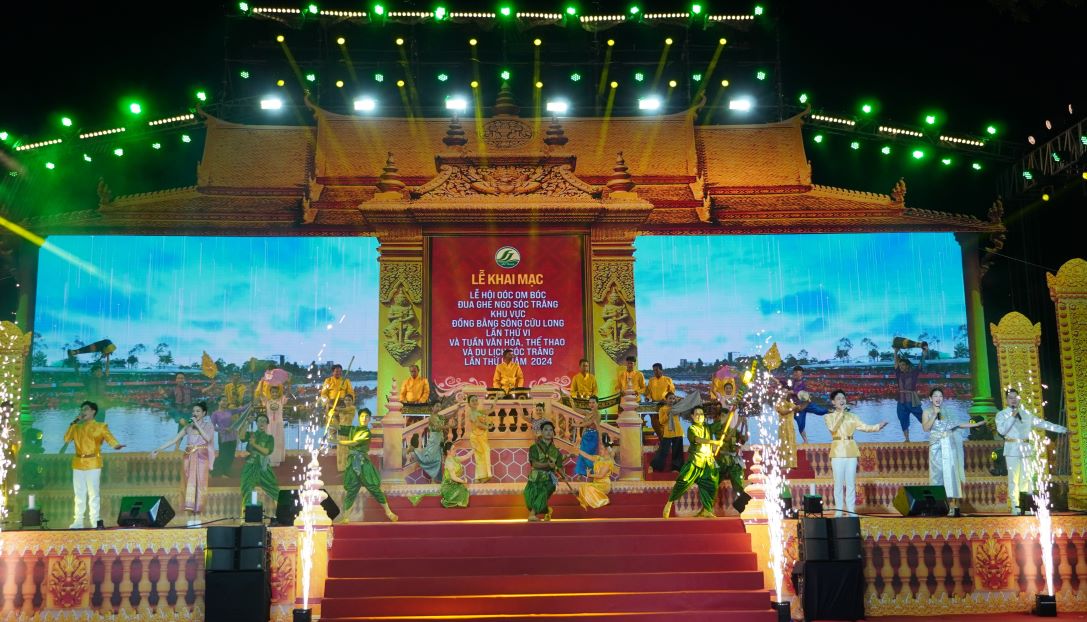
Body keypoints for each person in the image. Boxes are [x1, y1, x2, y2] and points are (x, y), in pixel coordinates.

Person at [995, 387, 1068, 514]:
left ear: (1019, 399)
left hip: (1025, 449)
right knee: (1013, 479)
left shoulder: (1026, 414)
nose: (1013, 400)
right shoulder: (1001, 415)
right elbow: (1002, 431)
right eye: (1010, 398)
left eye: (1015, 398)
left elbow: (1044, 423)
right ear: (1006, 400)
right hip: (1011, 449)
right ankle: (1015, 506)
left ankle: (1026, 506)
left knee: (1026, 478)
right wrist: (1012, 417)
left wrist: (1063, 429)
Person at [151, 401, 216, 526]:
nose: (195, 413)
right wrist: (158, 449)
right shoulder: (188, 427)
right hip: (189, 457)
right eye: (194, 411)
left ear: (204, 413)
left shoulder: (209, 426)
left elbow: (208, 438)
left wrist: (196, 424)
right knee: (189, 485)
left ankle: (198, 516)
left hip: (202, 457)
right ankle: (191, 516)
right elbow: (174, 439)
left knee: (200, 485)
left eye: (198, 411)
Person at [824, 390, 888, 516]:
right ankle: (838, 510)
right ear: (833, 402)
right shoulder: (828, 417)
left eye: (843, 398)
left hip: (851, 451)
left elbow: (865, 427)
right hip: (837, 452)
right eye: (838, 399)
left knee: (850, 482)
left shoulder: (853, 417)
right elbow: (833, 428)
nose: (842, 400)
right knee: (838, 483)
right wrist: (841, 413)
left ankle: (850, 510)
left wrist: (878, 427)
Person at [922, 387, 984, 516]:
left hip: (948, 446)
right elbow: (926, 428)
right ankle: (937, 506)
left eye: (940, 396)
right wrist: (934, 415)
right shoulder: (927, 412)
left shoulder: (947, 412)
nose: (938, 399)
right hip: (935, 448)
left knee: (950, 475)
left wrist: (975, 425)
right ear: (930, 398)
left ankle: (953, 506)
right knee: (936, 476)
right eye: (935, 396)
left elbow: (958, 424)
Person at [64, 401, 125, 529]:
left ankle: (94, 520)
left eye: (86, 409)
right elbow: (66, 439)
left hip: (93, 463)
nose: (83, 411)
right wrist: (74, 422)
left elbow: (109, 438)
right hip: (78, 463)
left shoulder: (100, 426)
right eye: (81, 409)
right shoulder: (76, 427)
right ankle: (78, 521)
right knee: (79, 493)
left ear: (93, 411)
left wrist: (116, 445)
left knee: (93, 493)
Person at [339, 408, 398, 522]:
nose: (364, 419)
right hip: (352, 463)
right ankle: (345, 517)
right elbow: (338, 428)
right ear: (359, 417)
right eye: (362, 416)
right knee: (351, 490)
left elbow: (354, 442)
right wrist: (331, 418)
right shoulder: (353, 429)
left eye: (366, 417)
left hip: (363, 463)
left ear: (369, 419)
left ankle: (389, 513)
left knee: (374, 488)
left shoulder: (366, 432)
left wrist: (337, 442)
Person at [663, 407, 722, 519]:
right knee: (683, 481)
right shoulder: (692, 428)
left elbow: (720, 423)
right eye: (697, 414)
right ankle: (669, 503)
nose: (699, 416)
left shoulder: (708, 428)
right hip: (695, 461)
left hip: (708, 462)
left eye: (701, 414)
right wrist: (713, 442)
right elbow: (698, 440)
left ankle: (706, 510)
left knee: (711, 485)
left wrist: (730, 411)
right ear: (692, 416)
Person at [707, 405, 750, 514]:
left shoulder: (733, 430)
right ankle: (708, 509)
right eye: (722, 416)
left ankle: (743, 508)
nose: (724, 418)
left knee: (738, 483)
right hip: (720, 461)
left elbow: (743, 440)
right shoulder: (717, 429)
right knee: (712, 483)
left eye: (726, 416)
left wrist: (745, 425)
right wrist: (738, 423)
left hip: (732, 461)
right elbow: (726, 438)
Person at [238, 412, 279, 516]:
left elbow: (266, 451)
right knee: (247, 488)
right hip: (250, 465)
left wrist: (254, 445)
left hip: (263, 466)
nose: (262, 423)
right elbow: (241, 436)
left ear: (267, 424)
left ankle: (281, 514)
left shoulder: (269, 438)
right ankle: (246, 516)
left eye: (264, 421)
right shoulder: (251, 435)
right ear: (256, 423)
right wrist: (247, 422)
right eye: (260, 420)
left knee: (273, 488)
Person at [525, 420, 564, 521]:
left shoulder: (556, 451)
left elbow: (559, 467)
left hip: (549, 479)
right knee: (529, 497)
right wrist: (547, 464)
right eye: (546, 430)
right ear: (541, 432)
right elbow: (534, 464)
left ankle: (532, 515)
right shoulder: (534, 447)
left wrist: (564, 475)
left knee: (543, 494)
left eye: (551, 430)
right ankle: (547, 511)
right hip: (535, 477)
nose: (548, 432)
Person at [894, 344, 928, 442]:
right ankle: (907, 439)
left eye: (903, 365)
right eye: (900, 365)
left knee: (922, 417)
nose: (900, 367)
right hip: (901, 401)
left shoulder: (913, 373)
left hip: (912, 400)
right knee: (902, 420)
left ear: (907, 365)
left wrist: (924, 353)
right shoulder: (898, 374)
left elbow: (920, 364)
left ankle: (936, 433)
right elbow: (895, 363)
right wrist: (896, 351)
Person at [786, 366, 828, 445]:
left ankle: (831, 411)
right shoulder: (792, 383)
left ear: (801, 374)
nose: (795, 374)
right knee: (800, 423)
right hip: (798, 407)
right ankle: (805, 440)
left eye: (797, 372)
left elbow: (800, 392)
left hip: (806, 404)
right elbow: (788, 392)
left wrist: (792, 392)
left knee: (820, 411)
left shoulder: (804, 382)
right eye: (794, 372)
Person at [210, 397, 250, 478]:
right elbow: (212, 427)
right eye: (223, 400)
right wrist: (224, 429)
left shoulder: (230, 411)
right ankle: (215, 471)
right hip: (223, 436)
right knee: (223, 455)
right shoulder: (215, 414)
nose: (225, 402)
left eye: (226, 401)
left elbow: (241, 409)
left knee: (231, 455)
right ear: (218, 402)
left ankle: (227, 470)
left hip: (232, 436)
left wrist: (250, 403)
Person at [577, 439, 620, 509]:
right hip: (596, 483)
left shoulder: (608, 462)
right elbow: (587, 456)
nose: (600, 451)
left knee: (588, 488)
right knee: (583, 486)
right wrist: (578, 450)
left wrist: (590, 475)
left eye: (602, 449)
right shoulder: (598, 458)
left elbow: (601, 475)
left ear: (606, 451)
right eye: (600, 449)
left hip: (604, 484)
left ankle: (603, 501)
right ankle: (589, 503)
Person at [413, 402, 449, 480]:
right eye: (437, 406)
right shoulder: (432, 417)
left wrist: (456, 410)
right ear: (432, 408)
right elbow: (438, 427)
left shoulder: (440, 417)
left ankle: (437, 478)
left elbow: (449, 417)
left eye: (440, 406)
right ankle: (415, 452)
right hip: (434, 439)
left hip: (440, 439)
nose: (439, 408)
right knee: (430, 458)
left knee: (439, 458)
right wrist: (449, 426)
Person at [466, 394, 497, 483]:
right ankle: (482, 477)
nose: (475, 402)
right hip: (476, 437)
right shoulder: (471, 413)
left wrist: (496, 399)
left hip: (482, 436)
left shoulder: (479, 412)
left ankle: (480, 477)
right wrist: (488, 427)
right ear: (469, 404)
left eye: (476, 400)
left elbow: (491, 410)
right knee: (480, 456)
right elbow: (478, 424)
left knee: (483, 455)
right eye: (473, 400)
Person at [651, 393, 683, 473]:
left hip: (678, 432)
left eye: (673, 398)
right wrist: (667, 414)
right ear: (666, 399)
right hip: (668, 433)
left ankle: (676, 468)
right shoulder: (662, 409)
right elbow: (661, 422)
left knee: (677, 451)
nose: (672, 400)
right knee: (663, 450)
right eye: (670, 398)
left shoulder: (677, 408)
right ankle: (656, 466)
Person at [261, 383, 288, 467]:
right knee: (270, 441)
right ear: (270, 393)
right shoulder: (267, 401)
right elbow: (261, 393)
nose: (274, 394)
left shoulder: (281, 401)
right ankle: (269, 459)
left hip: (279, 424)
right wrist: (262, 383)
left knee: (278, 441)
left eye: (276, 392)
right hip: (269, 424)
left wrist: (288, 383)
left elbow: (287, 393)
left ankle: (277, 459)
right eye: (273, 392)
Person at [574, 396, 601, 477]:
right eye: (590, 403)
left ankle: (591, 473)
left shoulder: (597, 413)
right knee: (582, 453)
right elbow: (575, 409)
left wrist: (577, 425)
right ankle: (580, 474)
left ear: (597, 404)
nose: (591, 404)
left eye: (593, 402)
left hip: (593, 436)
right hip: (586, 436)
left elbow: (589, 423)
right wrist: (570, 400)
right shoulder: (588, 412)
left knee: (589, 455)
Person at [440, 440, 471, 508]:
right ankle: (448, 502)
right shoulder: (449, 462)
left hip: (454, 483)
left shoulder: (454, 459)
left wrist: (475, 448)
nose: (455, 450)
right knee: (461, 490)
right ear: (448, 451)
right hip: (448, 486)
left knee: (463, 490)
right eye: (453, 449)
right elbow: (453, 477)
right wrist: (464, 482)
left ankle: (458, 505)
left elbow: (467, 456)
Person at [333, 394, 357, 472]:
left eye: (349, 400)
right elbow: (334, 414)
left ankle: (348, 468)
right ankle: (341, 469)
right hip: (340, 430)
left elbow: (340, 410)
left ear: (352, 401)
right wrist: (331, 414)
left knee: (346, 450)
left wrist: (330, 405)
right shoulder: (342, 410)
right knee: (340, 450)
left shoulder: (352, 408)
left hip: (348, 430)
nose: (347, 401)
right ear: (344, 401)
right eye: (346, 400)